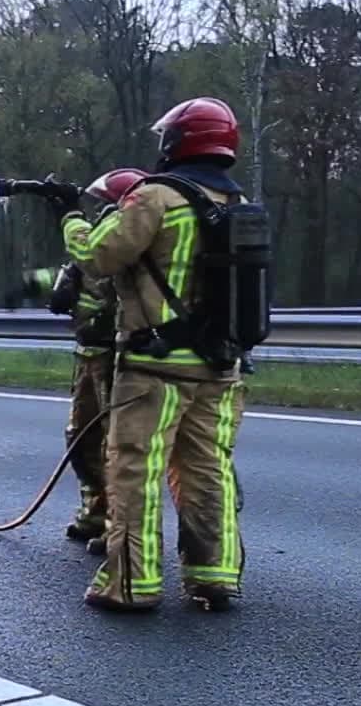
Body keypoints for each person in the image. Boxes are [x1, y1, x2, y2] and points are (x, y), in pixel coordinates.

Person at [64, 98, 250, 612]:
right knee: (208, 469)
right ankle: (213, 576)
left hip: (154, 369)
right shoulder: (232, 203)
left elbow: (99, 257)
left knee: (135, 471)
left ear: (176, 142)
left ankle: (131, 585)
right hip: (219, 367)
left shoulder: (157, 197)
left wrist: (71, 222)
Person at [52, 167, 146, 556]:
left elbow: (96, 265)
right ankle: (94, 511)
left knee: (114, 445)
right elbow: (78, 273)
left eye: (104, 206)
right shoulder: (95, 247)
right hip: (87, 353)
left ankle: (115, 530)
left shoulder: (126, 246)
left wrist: (69, 215)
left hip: (114, 357)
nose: (98, 215)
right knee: (81, 438)